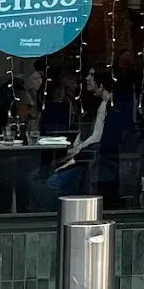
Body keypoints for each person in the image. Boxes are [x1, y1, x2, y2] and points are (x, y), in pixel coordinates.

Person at [39, 68, 114, 201]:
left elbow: (96, 138)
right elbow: (85, 133)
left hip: (91, 161)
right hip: (85, 158)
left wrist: (76, 152)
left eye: (91, 75)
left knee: (51, 183)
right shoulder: (96, 106)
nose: (87, 79)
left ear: (101, 86)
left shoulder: (107, 106)